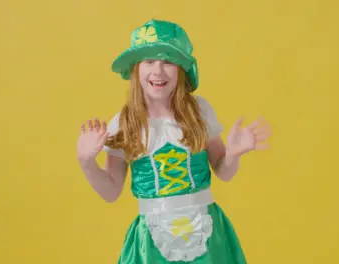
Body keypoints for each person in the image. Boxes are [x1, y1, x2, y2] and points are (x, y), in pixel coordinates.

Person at [76, 19, 271, 264]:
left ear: (181, 69)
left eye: (167, 61)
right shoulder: (124, 122)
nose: (158, 70)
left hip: (207, 232)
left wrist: (233, 154)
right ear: (137, 69)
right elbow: (111, 191)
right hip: (152, 241)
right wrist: (87, 163)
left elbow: (224, 171)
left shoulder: (199, 111)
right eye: (149, 61)